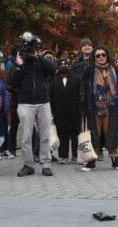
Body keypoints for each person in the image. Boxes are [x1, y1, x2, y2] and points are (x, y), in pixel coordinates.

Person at [10, 36, 56, 177]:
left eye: (33, 48)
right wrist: (21, 65)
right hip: (25, 103)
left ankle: (46, 164)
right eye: (29, 48)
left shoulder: (41, 61)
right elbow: (13, 83)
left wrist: (37, 56)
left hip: (43, 102)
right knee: (26, 137)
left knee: (45, 136)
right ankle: (28, 165)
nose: (31, 51)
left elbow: (52, 69)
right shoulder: (20, 64)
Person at [78, 46, 118, 171]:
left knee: (111, 134)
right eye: (98, 55)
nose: (101, 57)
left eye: (103, 55)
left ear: (107, 55)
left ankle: (115, 160)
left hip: (111, 107)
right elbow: (82, 88)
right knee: (95, 135)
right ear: (94, 57)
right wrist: (83, 105)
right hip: (94, 107)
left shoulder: (114, 69)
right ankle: (91, 161)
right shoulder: (89, 70)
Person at [49, 58, 81, 163]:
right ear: (58, 67)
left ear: (69, 66)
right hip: (60, 112)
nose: (64, 66)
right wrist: (52, 111)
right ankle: (64, 156)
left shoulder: (76, 78)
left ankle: (76, 155)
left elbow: (80, 95)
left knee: (75, 134)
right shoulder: (54, 80)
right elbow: (51, 97)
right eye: (61, 64)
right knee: (62, 134)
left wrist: (81, 108)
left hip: (74, 111)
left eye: (66, 64)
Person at [5, 47, 20, 158]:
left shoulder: (27, 67)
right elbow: (7, 84)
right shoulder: (11, 68)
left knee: (30, 128)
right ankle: (12, 149)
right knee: (14, 126)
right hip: (15, 100)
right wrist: (15, 89)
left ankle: (34, 150)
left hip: (26, 101)